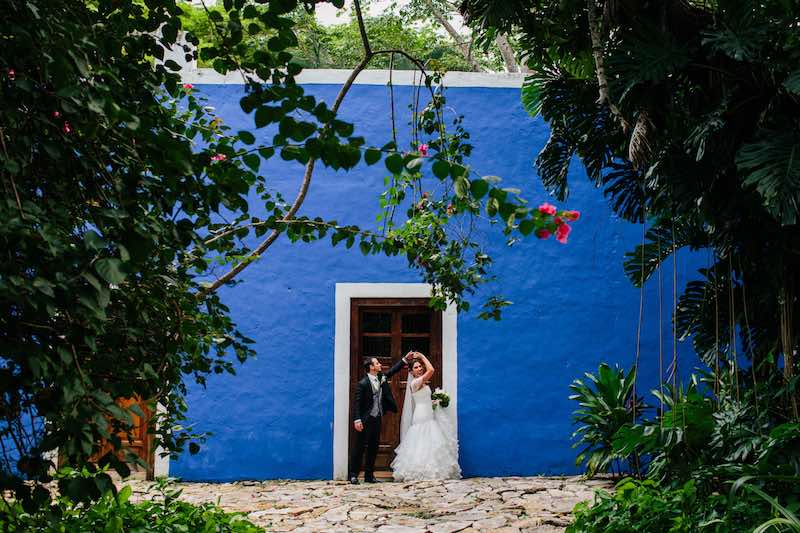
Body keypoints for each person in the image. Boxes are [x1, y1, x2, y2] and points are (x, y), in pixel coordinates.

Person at [391, 351, 461, 481]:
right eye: (416, 367)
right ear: (411, 372)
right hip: (421, 415)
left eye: (420, 366)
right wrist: (422, 356)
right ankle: (419, 470)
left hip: (429, 412)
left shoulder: (422, 382)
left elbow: (424, 397)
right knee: (422, 441)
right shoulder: (415, 383)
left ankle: (433, 470)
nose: (419, 368)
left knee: (431, 441)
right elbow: (432, 369)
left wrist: (434, 402)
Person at [349, 351, 414, 484]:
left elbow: (392, 371)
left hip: (377, 418)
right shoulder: (363, 384)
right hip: (365, 419)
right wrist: (357, 419)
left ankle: (369, 476)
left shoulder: (380, 377)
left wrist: (404, 360)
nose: (380, 365)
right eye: (377, 363)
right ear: (371, 367)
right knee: (359, 447)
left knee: (373, 447)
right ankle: (353, 474)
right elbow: (357, 403)